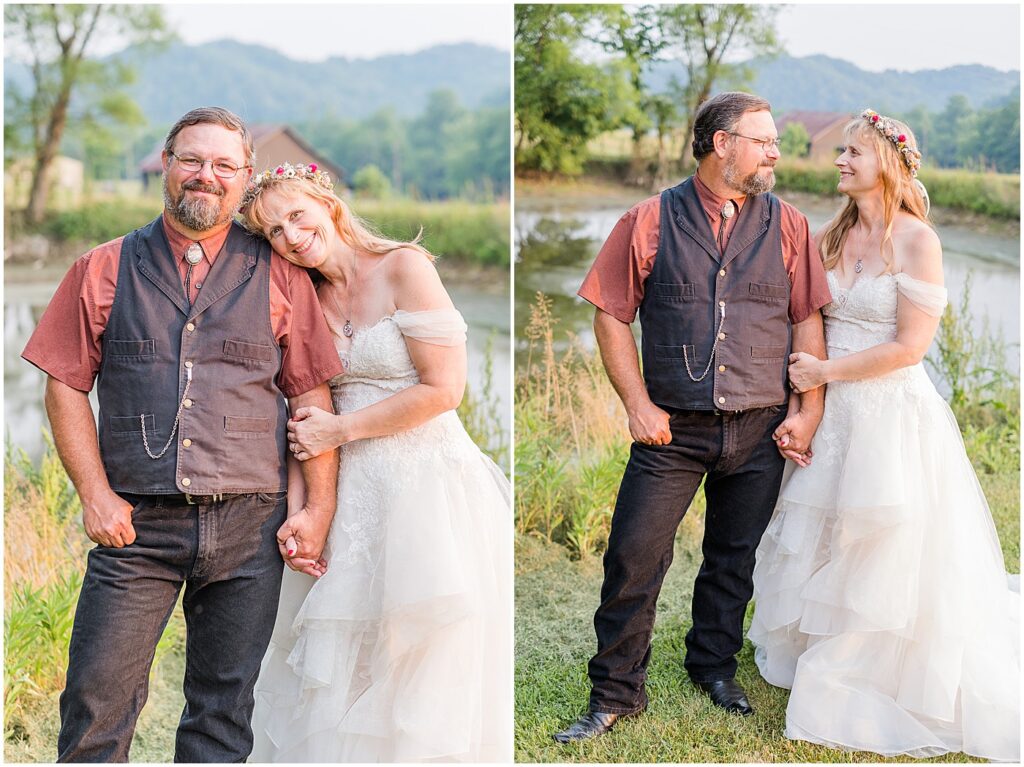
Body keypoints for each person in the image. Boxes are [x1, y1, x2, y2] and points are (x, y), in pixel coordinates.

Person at [21, 107, 344, 763]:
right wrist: (93, 493)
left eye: (224, 164)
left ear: (244, 178)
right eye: (192, 160)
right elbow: (63, 382)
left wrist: (318, 508)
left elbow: (311, 396)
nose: (207, 175)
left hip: (251, 526)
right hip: (135, 527)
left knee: (222, 719)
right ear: (166, 165)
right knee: (94, 706)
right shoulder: (101, 268)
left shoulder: (282, 273)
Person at [553, 92, 833, 743]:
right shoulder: (647, 219)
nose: (775, 152)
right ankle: (616, 692)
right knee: (633, 555)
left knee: (733, 559)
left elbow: (807, 320)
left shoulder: (790, 225)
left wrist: (807, 411)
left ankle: (713, 664)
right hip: (670, 433)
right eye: (763, 140)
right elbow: (610, 312)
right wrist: (637, 403)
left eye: (775, 141)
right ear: (720, 143)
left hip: (762, 428)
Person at [749, 109, 1020, 761]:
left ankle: (872, 657)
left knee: (880, 538)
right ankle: (816, 640)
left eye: (853, 152)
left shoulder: (917, 240)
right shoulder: (829, 236)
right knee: (822, 530)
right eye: (839, 150)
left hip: (890, 411)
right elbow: (804, 327)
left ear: (889, 164)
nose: (839, 160)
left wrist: (826, 371)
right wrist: (803, 401)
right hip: (831, 408)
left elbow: (909, 347)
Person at [238, 162, 512, 762]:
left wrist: (343, 427)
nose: (289, 236)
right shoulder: (299, 293)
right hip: (349, 486)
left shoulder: (402, 267)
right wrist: (302, 508)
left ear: (326, 204)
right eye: (273, 232)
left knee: (419, 643)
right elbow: (301, 413)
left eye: (295, 216)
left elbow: (444, 390)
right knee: (342, 648)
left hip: (425, 481)